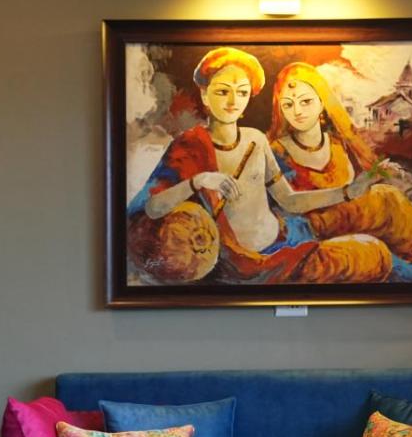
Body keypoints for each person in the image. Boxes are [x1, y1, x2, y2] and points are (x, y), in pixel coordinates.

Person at [127, 48, 390, 284]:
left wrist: (348, 192)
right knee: (374, 256)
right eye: (223, 91)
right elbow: (153, 208)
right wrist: (199, 181)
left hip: (289, 233)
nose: (233, 101)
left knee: (384, 225)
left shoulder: (255, 139)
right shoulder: (188, 146)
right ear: (205, 95)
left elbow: (289, 201)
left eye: (242, 92)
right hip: (255, 264)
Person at [268, 61, 412, 279]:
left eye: (305, 102)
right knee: (383, 220)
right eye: (288, 105)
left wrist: (375, 177)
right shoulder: (276, 151)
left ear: (322, 102)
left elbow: (361, 185)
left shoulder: (338, 144)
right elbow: (288, 204)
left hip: (348, 220)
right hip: (309, 228)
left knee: (391, 200)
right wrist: (348, 192)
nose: (297, 111)